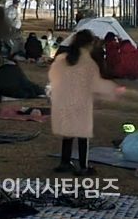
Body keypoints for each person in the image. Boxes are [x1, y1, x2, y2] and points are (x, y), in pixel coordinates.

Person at [50, 30, 124, 175]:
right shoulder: (88, 63)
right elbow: (95, 84)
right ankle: (83, 166)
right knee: (82, 134)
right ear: (88, 44)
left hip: (65, 101)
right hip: (81, 102)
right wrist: (113, 90)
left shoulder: (64, 59)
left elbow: (55, 78)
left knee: (68, 132)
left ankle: (65, 162)